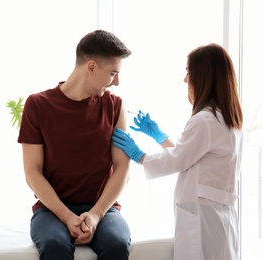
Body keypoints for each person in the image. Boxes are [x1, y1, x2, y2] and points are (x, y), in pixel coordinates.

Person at [112, 43, 243, 260]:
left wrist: (139, 155)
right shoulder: (227, 119)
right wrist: (159, 136)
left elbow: (178, 160)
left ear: (204, 76)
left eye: (188, 72)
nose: (185, 80)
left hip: (202, 218)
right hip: (217, 217)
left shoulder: (205, 120)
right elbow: (190, 156)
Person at [17, 29, 132, 260]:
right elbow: (32, 172)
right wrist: (68, 216)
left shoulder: (115, 106)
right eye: (113, 73)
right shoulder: (37, 105)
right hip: (51, 209)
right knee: (54, 245)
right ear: (91, 67)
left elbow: (123, 168)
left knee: (116, 243)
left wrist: (96, 214)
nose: (116, 82)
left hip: (103, 208)